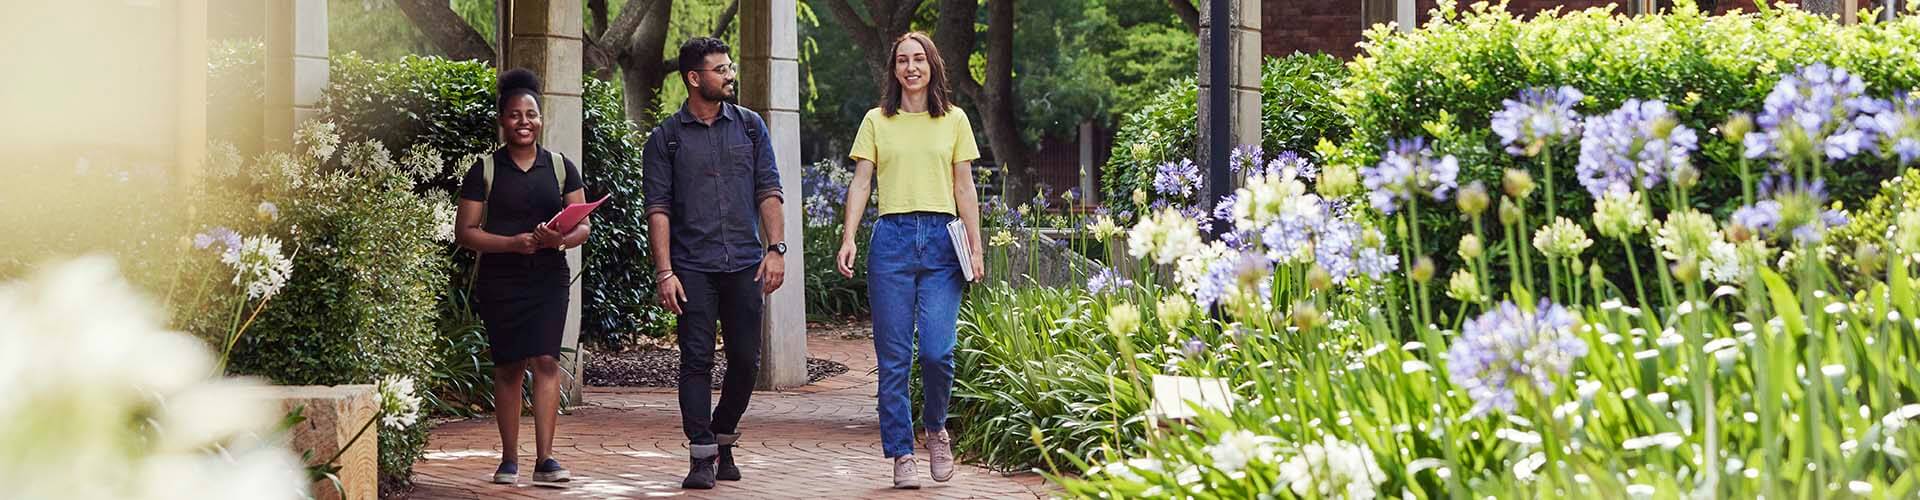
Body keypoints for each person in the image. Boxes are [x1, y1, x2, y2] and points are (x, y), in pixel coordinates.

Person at [835, 31, 986, 490]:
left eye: (919, 59)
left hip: (943, 242)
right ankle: (901, 452)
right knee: (895, 357)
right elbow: (861, 183)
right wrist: (849, 237)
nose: (911, 67)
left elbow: (965, 187)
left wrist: (976, 247)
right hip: (892, 242)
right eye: (903, 60)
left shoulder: (954, 120)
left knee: (938, 351)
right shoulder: (877, 121)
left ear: (932, 65)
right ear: (894, 69)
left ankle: (936, 427)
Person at [642, 37, 787, 490]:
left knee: (746, 360)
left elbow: (769, 189)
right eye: (720, 69)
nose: (730, 75)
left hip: (745, 263)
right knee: (697, 360)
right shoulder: (664, 139)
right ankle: (702, 453)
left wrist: (776, 249)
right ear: (693, 78)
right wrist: (665, 272)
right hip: (692, 269)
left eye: (730, 68)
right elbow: (658, 209)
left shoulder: (749, 127)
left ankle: (723, 435)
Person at [453, 68, 589, 485]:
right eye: (515, 115)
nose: (524, 122)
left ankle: (546, 459)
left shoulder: (561, 167)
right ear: (503, 120)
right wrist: (513, 243)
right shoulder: (485, 170)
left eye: (531, 114)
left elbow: (583, 225)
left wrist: (557, 241)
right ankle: (509, 459)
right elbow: (466, 232)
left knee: (546, 360)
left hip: (548, 278)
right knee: (510, 366)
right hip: (502, 281)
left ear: (541, 119)